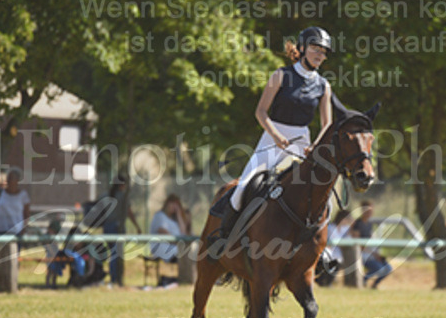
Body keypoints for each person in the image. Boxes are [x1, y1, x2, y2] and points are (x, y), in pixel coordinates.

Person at [211, 26, 335, 252]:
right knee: (243, 187)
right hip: (272, 137)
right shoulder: (281, 75)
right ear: (302, 48)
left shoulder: (324, 86)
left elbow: (327, 123)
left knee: (320, 192)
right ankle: (224, 239)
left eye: (324, 51)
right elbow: (260, 112)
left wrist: (315, 145)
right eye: (315, 49)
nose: (320, 55)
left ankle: (320, 248)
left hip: (303, 142)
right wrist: (276, 136)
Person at [102, 173, 142, 287]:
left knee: (112, 254)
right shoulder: (123, 197)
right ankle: (115, 279)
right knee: (116, 254)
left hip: (107, 227)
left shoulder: (106, 196)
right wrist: (137, 227)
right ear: (122, 185)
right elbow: (129, 213)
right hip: (117, 228)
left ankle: (113, 278)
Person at [350, 200, 392, 289]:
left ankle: (374, 284)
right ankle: (363, 280)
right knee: (380, 268)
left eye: (371, 211)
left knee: (388, 268)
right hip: (363, 254)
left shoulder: (369, 224)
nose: (370, 213)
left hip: (371, 253)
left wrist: (376, 253)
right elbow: (358, 244)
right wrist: (373, 253)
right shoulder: (358, 224)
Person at [150, 194, 191, 264]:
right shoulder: (159, 215)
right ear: (167, 203)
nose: (174, 207)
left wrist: (179, 214)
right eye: (172, 203)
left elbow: (183, 233)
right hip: (163, 247)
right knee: (187, 253)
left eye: (176, 205)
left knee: (191, 252)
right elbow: (164, 233)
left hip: (176, 246)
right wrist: (179, 243)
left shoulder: (174, 220)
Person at [316, 210, 352, 287]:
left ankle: (326, 282)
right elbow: (332, 240)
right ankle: (322, 281)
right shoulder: (331, 227)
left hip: (337, 253)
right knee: (330, 265)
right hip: (328, 251)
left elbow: (348, 240)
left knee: (335, 266)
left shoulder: (346, 228)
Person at [0, 169, 31, 236]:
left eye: (12, 179)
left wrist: (23, 230)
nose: (9, 181)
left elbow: (26, 215)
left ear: (17, 181)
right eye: (9, 178)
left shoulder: (23, 195)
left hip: (16, 232)